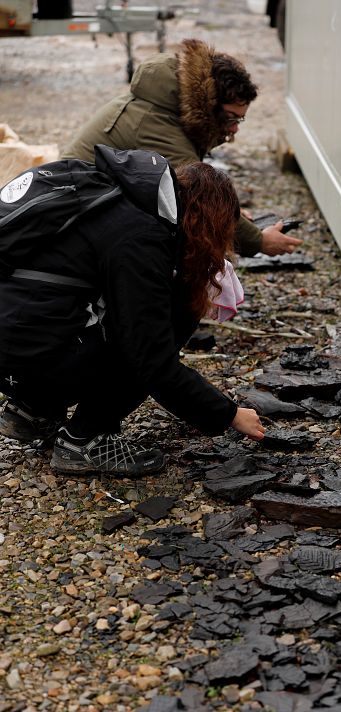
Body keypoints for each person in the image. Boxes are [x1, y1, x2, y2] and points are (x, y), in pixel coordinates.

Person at [0, 146, 265, 476]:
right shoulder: (141, 238)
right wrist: (228, 413)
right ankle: (85, 440)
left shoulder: (115, 194)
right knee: (175, 310)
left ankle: (31, 410)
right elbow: (151, 359)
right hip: (30, 353)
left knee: (95, 308)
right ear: (203, 220)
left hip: (12, 346)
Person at [62, 38, 302, 258]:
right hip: (73, 222)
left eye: (239, 120)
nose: (235, 129)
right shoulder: (156, 124)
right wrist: (259, 240)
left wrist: (233, 217)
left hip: (92, 205)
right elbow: (200, 195)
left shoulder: (167, 105)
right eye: (230, 118)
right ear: (208, 104)